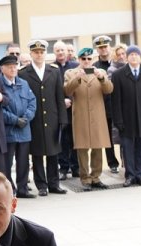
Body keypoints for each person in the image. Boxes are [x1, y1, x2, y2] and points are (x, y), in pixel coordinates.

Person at [19, 40, 67, 197]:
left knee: (54, 152)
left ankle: (54, 184)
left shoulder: (53, 71)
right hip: (34, 119)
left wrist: (62, 118)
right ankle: (41, 185)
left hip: (52, 117)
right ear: (31, 54)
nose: (39, 55)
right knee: (37, 153)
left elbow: (59, 97)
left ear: (45, 53)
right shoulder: (23, 73)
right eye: (36, 52)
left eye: (41, 52)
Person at [110, 45, 141, 187]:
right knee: (127, 149)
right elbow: (116, 101)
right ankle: (130, 175)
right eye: (131, 54)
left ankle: (140, 174)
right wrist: (118, 121)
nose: (133, 57)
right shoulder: (118, 75)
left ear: (140, 56)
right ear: (126, 57)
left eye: (136, 54)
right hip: (126, 120)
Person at [65, 47, 113, 190]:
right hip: (80, 114)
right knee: (82, 148)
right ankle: (85, 178)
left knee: (98, 147)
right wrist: (77, 78)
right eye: (83, 59)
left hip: (97, 115)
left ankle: (96, 177)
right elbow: (67, 90)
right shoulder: (70, 72)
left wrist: (102, 78)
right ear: (79, 59)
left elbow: (109, 89)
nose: (86, 61)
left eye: (89, 59)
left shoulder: (101, 72)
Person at [0, 55, 36, 197]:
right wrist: (15, 120)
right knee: (6, 164)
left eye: (15, 66)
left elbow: (33, 102)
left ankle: (22, 189)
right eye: (9, 67)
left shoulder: (23, 83)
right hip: (9, 131)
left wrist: (26, 118)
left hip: (24, 130)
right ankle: (9, 190)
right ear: (2, 69)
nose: (13, 69)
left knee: (23, 162)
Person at [92, 35, 122, 176]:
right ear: (97, 49)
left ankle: (125, 161)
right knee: (107, 136)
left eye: (105, 46)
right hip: (104, 106)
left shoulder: (117, 63)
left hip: (120, 105)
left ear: (109, 47)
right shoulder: (95, 67)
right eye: (100, 47)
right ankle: (112, 163)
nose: (103, 49)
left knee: (123, 134)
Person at [53, 41, 79, 180]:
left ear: (67, 51)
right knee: (62, 140)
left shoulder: (75, 66)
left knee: (75, 139)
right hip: (59, 110)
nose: (60, 53)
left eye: (62, 50)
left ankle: (76, 168)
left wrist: (72, 100)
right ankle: (63, 168)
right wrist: (62, 101)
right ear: (54, 52)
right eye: (57, 50)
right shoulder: (50, 68)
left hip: (75, 108)